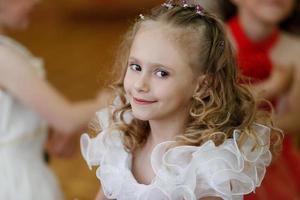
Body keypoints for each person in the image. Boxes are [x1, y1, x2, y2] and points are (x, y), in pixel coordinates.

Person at [81, 1, 282, 199]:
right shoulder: (121, 142)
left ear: (202, 86)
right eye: (136, 67)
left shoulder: (205, 169)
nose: (140, 85)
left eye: (161, 73)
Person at [0, 0, 105, 199]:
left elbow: (58, 143)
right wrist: (105, 102)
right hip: (15, 181)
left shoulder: (10, 50)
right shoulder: (3, 57)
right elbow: (66, 120)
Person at [222, 0, 300, 198]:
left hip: (272, 160)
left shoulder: (295, 49)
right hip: (221, 159)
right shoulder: (213, 41)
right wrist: (271, 87)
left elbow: (296, 118)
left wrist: (251, 130)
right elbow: (211, 107)